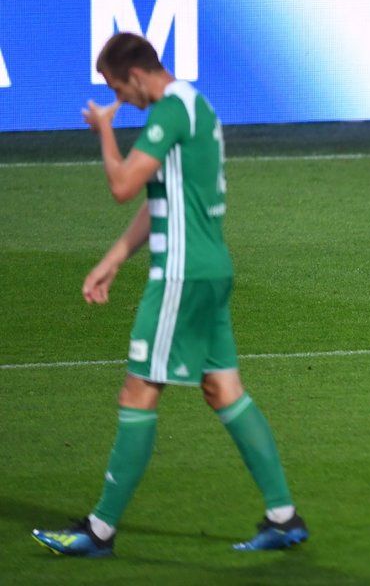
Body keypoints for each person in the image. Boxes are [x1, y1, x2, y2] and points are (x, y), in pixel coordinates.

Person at [32, 33, 307, 557]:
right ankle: (283, 516)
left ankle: (100, 530)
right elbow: (162, 198)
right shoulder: (195, 106)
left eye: (118, 89)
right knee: (222, 389)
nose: (122, 99)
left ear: (136, 76)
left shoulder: (167, 114)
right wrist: (113, 260)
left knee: (138, 392)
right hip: (211, 269)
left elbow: (122, 186)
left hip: (181, 276)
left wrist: (106, 132)